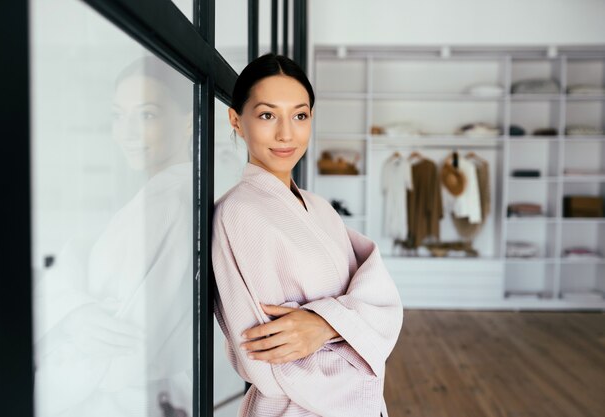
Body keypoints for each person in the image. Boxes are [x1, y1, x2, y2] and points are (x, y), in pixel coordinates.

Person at [212, 53, 404, 417]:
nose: (286, 133)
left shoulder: (321, 208)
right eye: (267, 115)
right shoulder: (237, 213)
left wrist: (324, 324)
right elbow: (267, 357)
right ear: (236, 120)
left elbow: (384, 298)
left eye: (299, 116)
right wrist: (348, 322)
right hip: (293, 407)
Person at [33, 55, 193, 417]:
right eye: (118, 116)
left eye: (147, 114)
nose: (127, 132)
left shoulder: (165, 204)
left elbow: (115, 350)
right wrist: (75, 311)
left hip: (116, 401)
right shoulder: (169, 194)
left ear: (188, 123)